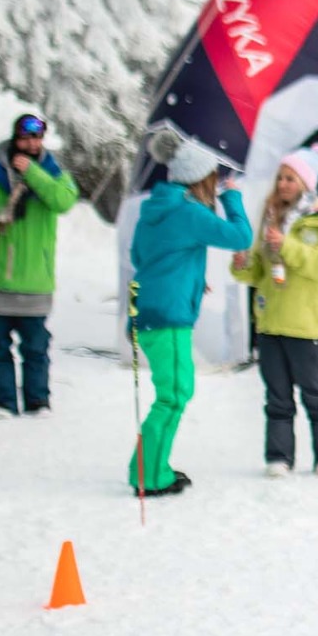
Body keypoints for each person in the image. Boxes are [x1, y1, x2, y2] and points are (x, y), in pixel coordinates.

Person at [127, 130, 252, 497]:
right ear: (201, 179)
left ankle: (152, 468)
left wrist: (189, 282)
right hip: (169, 318)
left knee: (173, 392)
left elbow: (142, 258)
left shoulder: (154, 209)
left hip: (148, 310)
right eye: (213, 179)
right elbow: (240, 237)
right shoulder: (188, 212)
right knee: (175, 394)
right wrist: (233, 199)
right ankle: (148, 476)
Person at [230, 143, 318, 477]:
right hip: (271, 324)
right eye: (281, 177)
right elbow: (258, 272)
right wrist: (243, 264)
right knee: (277, 398)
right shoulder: (271, 219)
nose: (282, 184)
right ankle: (279, 456)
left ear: (306, 184)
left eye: (291, 178)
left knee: (316, 394)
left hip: (308, 326)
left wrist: (289, 246)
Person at [0, 113, 79, 417]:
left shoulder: (53, 172)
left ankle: (38, 400)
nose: (30, 144)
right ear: (15, 139)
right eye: (24, 138)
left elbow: (63, 201)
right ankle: (2, 401)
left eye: (36, 138)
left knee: (36, 348)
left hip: (35, 278)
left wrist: (34, 173)